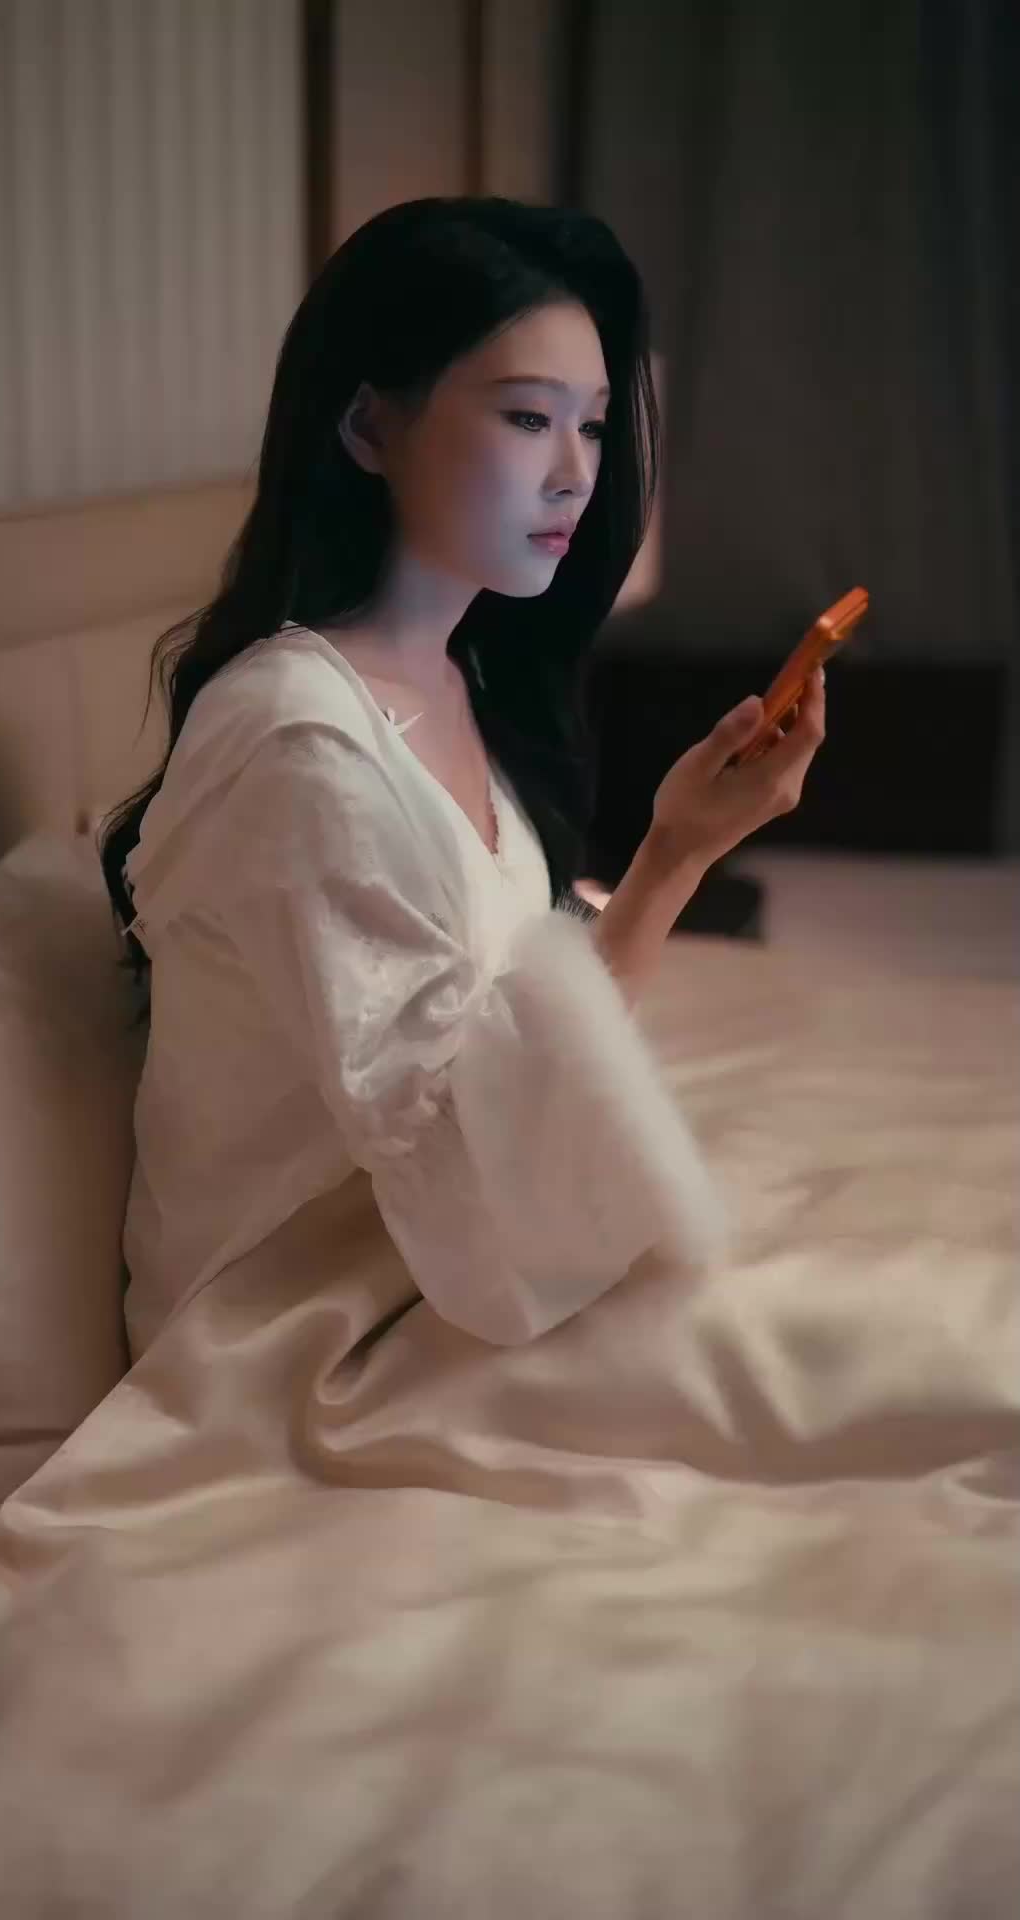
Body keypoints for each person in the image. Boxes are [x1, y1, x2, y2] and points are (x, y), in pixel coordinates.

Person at [100, 193, 825, 1354]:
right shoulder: (300, 740)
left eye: (594, 427)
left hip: (418, 1287)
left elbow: (517, 1070)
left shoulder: (458, 678)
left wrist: (681, 849)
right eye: (529, 417)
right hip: (286, 1345)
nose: (575, 474)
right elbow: (462, 1160)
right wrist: (668, 862)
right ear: (369, 428)